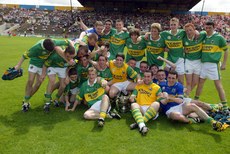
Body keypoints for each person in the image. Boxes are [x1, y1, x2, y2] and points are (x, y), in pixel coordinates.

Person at [14, 38, 74, 112]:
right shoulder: (36, 47)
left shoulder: (54, 42)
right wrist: (18, 65)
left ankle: (26, 99)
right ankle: (26, 103)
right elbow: (24, 55)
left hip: (43, 65)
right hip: (34, 63)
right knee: (30, 80)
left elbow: (68, 41)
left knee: (38, 84)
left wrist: (73, 49)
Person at [160, 70, 227, 131]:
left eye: (173, 78)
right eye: (169, 78)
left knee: (194, 105)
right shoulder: (162, 85)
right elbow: (162, 101)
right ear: (167, 77)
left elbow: (180, 100)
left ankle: (213, 122)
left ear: (176, 78)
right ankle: (194, 119)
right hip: (170, 109)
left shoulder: (179, 86)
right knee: (177, 116)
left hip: (180, 106)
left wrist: (169, 97)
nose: (171, 80)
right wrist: (167, 97)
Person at [195, 20, 229, 114]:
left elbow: (226, 50)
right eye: (206, 27)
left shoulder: (219, 38)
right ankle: (196, 101)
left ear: (214, 27)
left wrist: (224, 64)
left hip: (213, 65)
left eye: (210, 28)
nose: (208, 29)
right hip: (203, 64)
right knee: (200, 83)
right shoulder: (204, 35)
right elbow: (197, 34)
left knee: (218, 85)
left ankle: (225, 106)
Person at [41, 45, 76, 112]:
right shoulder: (55, 56)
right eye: (68, 56)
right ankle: (47, 103)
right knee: (52, 81)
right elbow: (45, 64)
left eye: (71, 57)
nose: (69, 58)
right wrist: (43, 74)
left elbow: (69, 67)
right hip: (52, 67)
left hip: (62, 69)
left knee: (63, 85)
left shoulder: (72, 57)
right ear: (64, 53)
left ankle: (56, 99)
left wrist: (67, 76)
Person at [129, 70, 163, 135]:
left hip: (150, 109)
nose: (146, 78)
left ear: (152, 77)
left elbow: (160, 99)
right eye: (145, 76)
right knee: (133, 104)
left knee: (156, 104)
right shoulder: (139, 85)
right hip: (140, 108)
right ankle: (142, 126)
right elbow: (133, 96)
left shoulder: (157, 87)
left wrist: (163, 96)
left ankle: (139, 123)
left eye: (148, 76)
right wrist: (131, 98)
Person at [183, 23, 206, 97]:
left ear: (194, 29)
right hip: (188, 62)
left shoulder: (200, 35)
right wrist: (183, 49)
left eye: (190, 30)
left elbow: (206, 32)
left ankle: (184, 95)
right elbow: (179, 46)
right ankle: (186, 97)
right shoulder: (184, 37)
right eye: (187, 31)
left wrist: (197, 32)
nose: (189, 32)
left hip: (198, 62)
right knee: (188, 83)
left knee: (195, 82)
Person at [161, 18, 186, 84]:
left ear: (178, 25)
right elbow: (154, 34)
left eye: (174, 24)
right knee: (166, 79)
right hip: (169, 59)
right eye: (171, 25)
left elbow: (193, 32)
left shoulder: (182, 32)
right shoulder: (165, 34)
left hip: (180, 59)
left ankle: (180, 94)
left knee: (181, 81)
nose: (173, 26)